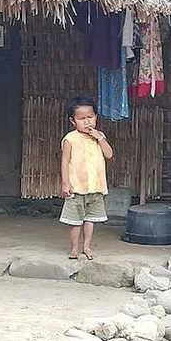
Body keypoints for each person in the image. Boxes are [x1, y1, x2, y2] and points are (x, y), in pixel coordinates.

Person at [60, 96, 114, 260]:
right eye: (81, 119)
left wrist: (100, 138)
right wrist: (65, 183)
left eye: (90, 117)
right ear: (73, 121)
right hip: (76, 187)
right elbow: (65, 162)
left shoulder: (99, 137)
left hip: (95, 187)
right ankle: (74, 248)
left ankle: (87, 246)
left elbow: (109, 154)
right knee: (75, 221)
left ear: (96, 117)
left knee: (90, 219)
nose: (87, 122)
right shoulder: (70, 139)